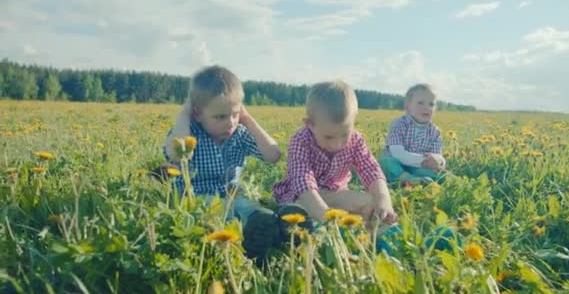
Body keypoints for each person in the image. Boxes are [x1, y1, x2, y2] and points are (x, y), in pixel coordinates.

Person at [163, 65, 309, 263]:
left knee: (249, 208)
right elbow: (175, 154)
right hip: (196, 200)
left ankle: (279, 227)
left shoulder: (238, 134)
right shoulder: (190, 132)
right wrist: (184, 115)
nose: (230, 122)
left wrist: (248, 120)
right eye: (220, 117)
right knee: (219, 215)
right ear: (197, 114)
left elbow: (273, 155)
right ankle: (252, 236)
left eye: (234, 114)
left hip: (232, 195)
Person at [273, 81, 397, 230]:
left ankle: (378, 232)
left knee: (372, 202)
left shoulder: (356, 139)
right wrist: (326, 215)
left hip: (337, 195)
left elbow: (370, 168)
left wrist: (383, 198)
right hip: (304, 196)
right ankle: (308, 227)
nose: (337, 144)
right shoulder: (301, 140)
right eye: (329, 137)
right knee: (300, 209)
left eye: (345, 135)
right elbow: (302, 180)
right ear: (310, 124)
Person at [380, 84, 447, 186]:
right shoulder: (399, 124)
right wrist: (422, 161)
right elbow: (397, 153)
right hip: (398, 163)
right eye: (420, 103)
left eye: (431, 104)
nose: (427, 108)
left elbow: (437, 154)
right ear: (407, 107)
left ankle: (422, 181)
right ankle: (407, 179)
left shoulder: (435, 131)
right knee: (387, 162)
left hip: (417, 168)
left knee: (439, 173)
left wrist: (439, 161)